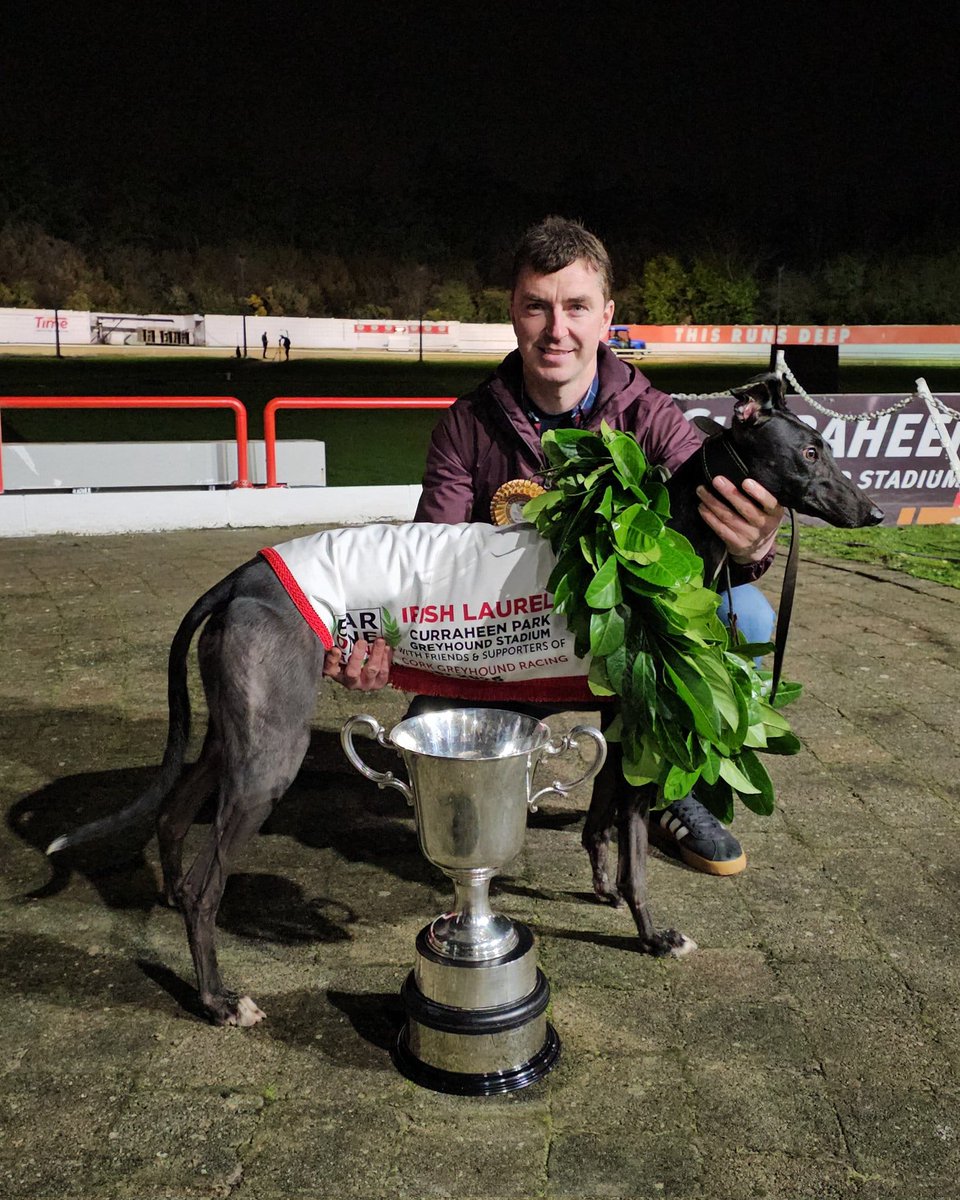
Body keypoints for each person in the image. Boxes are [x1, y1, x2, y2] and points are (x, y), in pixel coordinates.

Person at [324, 216, 781, 876]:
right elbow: (428, 565)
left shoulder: (650, 416)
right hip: (506, 651)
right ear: (513, 312)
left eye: (576, 307)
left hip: (617, 653)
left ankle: (662, 796)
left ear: (606, 317)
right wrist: (377, 639)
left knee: (751, 616)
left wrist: (752, 545)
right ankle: (495, 801)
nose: (556, 329)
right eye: (537, 305)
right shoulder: (465, 426)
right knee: (430, 719)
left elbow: (723, 544)